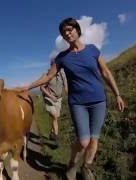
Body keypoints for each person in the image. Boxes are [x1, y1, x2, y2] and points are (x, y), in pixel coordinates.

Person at [15, 17, 125, 180]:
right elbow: (48, 76)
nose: (67, 33)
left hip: (99, 101)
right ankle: (72, 165)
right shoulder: (62, 57)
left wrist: (117, 94)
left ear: (77, 30)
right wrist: (28, 86)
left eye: (70, 29)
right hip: (78, 103)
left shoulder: (93, 50)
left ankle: (86, 167)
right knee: (84, 140)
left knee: (94, 140)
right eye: (64, 32)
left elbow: (106, 72)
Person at [40, 62, 67, 148]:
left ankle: (52, 133)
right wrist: (51, 96)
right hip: (49, 98)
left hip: (58, 99)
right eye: (55, 66)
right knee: (55, 116)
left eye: (59, 66)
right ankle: (56, 139)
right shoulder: (47, 75)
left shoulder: (62, 73)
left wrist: (66, 89)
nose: (58, 68)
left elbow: (65, 83)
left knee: (56, 117)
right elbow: (42, 87)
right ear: (52, 66)